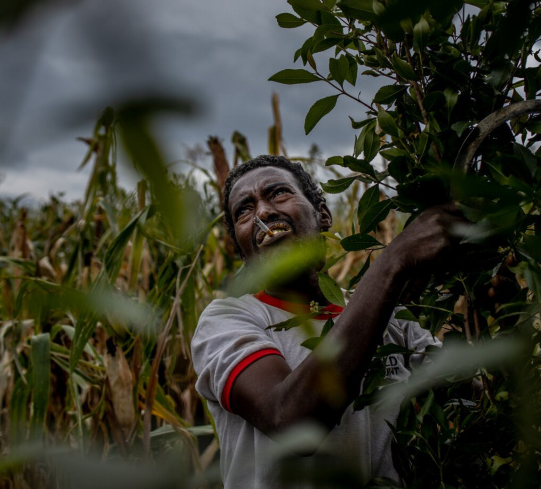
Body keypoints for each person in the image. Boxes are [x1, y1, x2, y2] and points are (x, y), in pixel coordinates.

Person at [191, 155, 462, 488]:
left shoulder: (391, 317)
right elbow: (291, 421)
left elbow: (464, 396)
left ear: (322, 215)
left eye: (277, 193)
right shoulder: (226, 321)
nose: (262, 213)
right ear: (243, 251)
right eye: (244, 211)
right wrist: (393, 261)